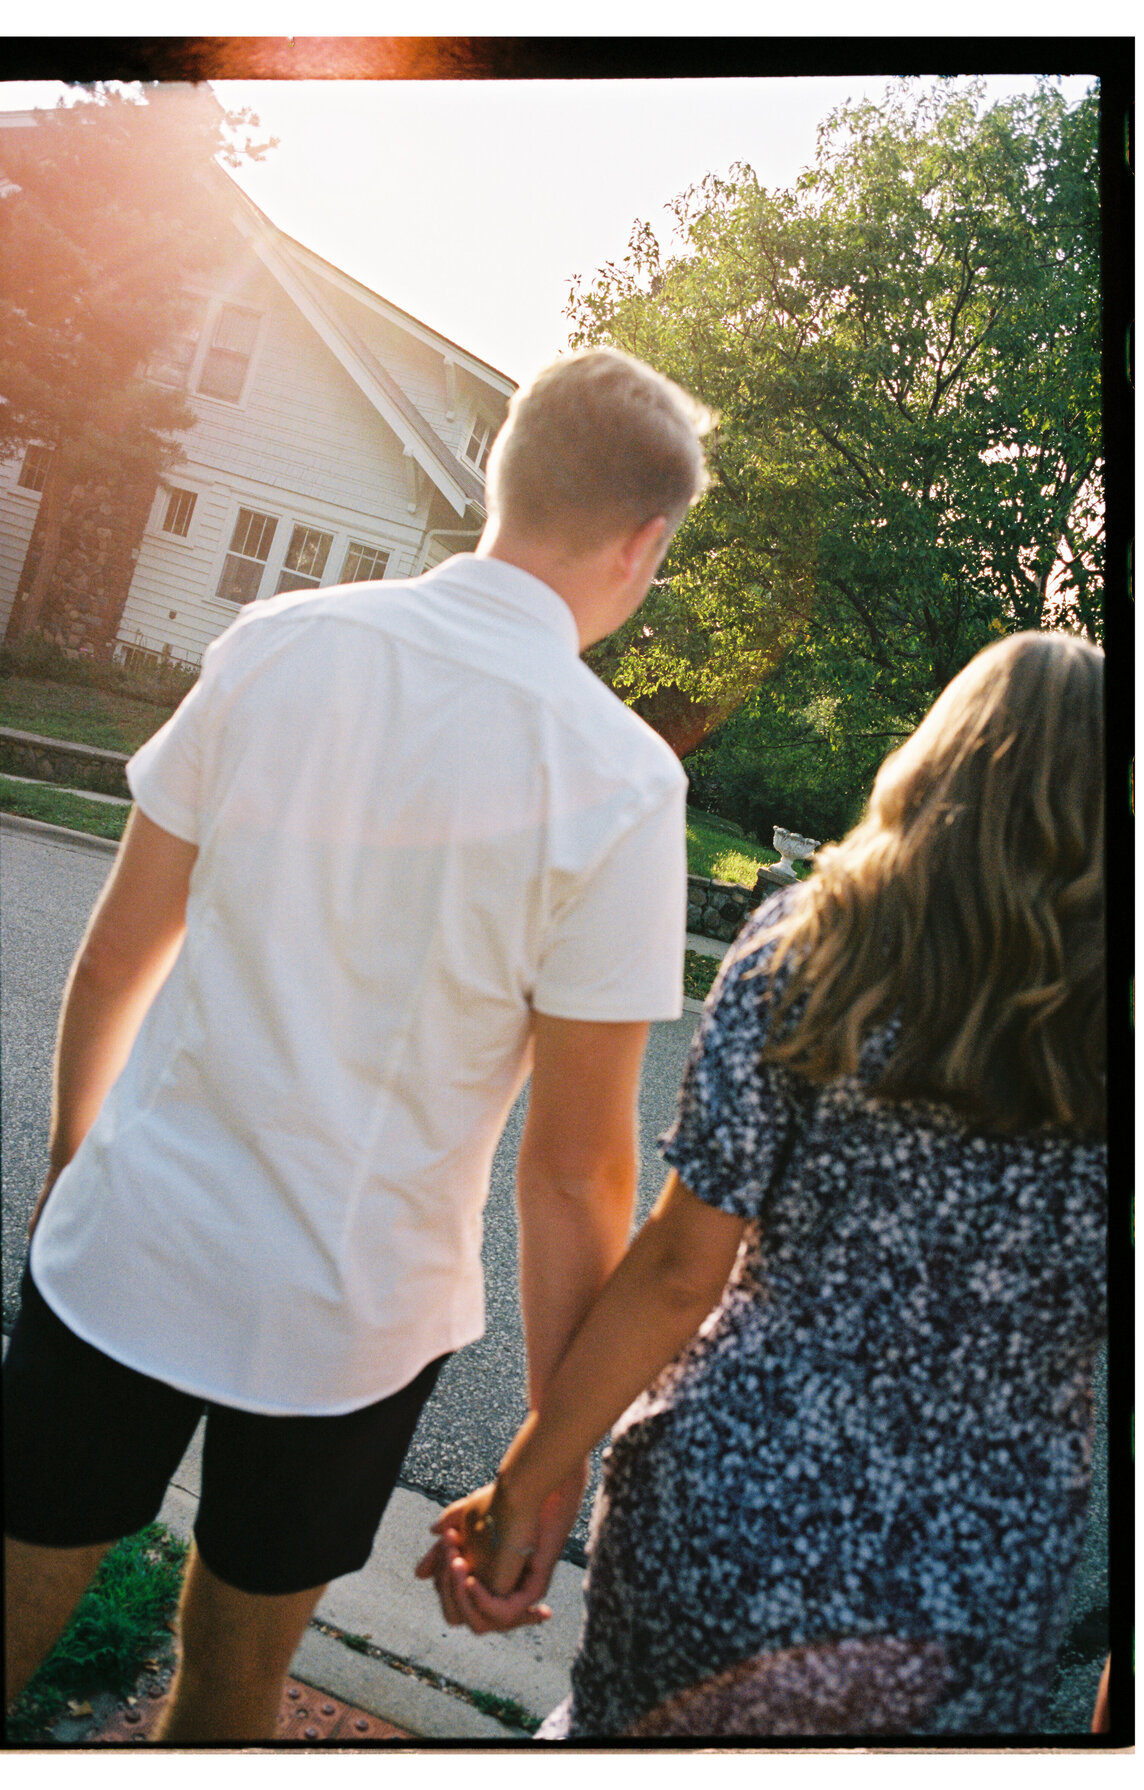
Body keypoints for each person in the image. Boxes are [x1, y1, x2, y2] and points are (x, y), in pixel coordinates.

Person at [2, 347, 714, 1741]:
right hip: (355, 1319)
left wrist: (72, 1173)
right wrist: (542, 1456)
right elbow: (572, 1174)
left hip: (134, 1240)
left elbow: (111, 958)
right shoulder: (625, 783)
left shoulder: (280, 642)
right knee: (234, 1687)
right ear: (644, 543)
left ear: (504, 475)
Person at [420, 630, 1107, 1739]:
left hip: (722, 1506)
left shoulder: (812, 943)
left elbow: (681, 1265)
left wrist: (529, 1478)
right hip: (966, 1588)